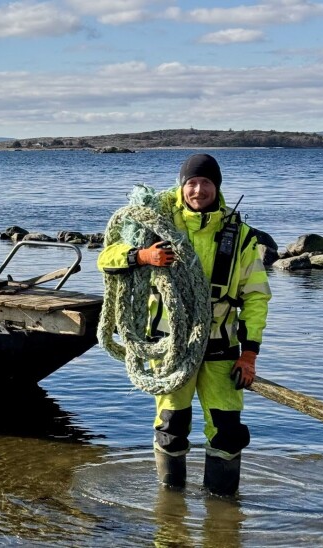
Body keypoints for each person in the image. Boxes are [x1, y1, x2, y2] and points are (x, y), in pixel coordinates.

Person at [97, 153, 272, 496]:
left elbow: (256, 299)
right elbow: (106, 257)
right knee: (172, 426)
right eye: (191, 182)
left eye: (206, 182)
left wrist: (249, 354)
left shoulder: (242, 238)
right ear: (181, 187)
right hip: (169, 347)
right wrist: (141, 256)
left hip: (221, 348)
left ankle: (223, 514)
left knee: (227, 431)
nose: (198, 189)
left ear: (217, 188)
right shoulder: (155, 226)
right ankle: (169, 510)